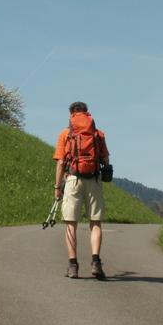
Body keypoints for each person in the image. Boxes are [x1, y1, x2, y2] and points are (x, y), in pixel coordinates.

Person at [53, 101, 110, 279]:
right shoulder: (98, 134)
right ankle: (95, 262)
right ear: (87, 114)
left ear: (71, 114)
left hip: (73, 180)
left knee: (71, 223)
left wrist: (57, 187)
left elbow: (61, 162)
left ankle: (73, 266)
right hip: (93, 180)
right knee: (95, 222)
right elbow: (106, 161)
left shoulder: (65, 134)